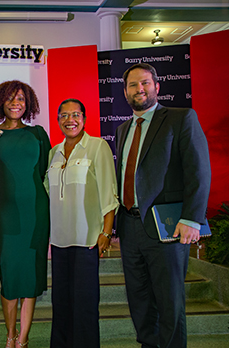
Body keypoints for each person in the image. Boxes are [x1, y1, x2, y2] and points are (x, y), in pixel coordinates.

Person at [115, 63, 211, 348]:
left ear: (157, 86)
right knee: (140, 301)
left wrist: (192, 219)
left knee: (169, 303)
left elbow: (199, 170)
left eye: (145, 83)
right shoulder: (123, 129)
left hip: (167, 227)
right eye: (133, 85)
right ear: (125, 92)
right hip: (130, 228)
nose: (139, 89)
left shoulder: (181, 118)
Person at [0, 80, 50, 348]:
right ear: (0, 103)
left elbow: (44, 171)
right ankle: (9, 336)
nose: (15, 103)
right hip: (5, 212)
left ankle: (23, 338)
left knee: (31, 273)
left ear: (28, 102)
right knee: (9, 274)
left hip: (36, 211)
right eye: (9, 98)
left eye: (20, 98)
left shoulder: (38, 134)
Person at [44, 99, 119, 347]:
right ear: (58, 121)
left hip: (87, 238)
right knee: (62, 304)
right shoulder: (53, 152)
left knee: (85, 304)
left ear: (84, 119)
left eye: (75, 114)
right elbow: (49, 192)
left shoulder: (97, 146)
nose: (70, 120)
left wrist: (106, 232)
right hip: (59, 240)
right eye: (64, 115)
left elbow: (109, 192)